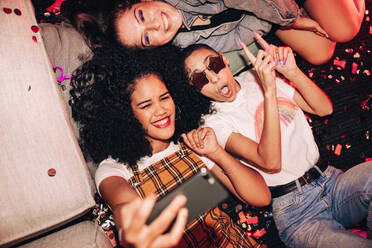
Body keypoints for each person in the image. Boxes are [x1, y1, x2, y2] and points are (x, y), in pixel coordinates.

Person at [69, 44, 271, 247]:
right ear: (125, 114)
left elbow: (261, 197)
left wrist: (217, 153)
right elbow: (124, 206)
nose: (161, 110)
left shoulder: (193, 146)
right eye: (146, 105)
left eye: (164, 97)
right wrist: (133, 228)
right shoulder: (114, 168)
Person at [181, 35, 372, 247]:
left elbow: (323, 108)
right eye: (200, 78)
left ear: (225, 60)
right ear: (195, 89)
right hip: (296, 212)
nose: (214, 78)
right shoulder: (213, 122)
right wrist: (269, 90)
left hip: (332, 182)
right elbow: (270, 162)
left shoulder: (255, 75)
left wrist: (293, 73)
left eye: (214, 65)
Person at [78, 0, 365, 65]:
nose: (156, 25)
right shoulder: (183, 39)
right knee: (320, 52)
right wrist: (282, 20)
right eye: (146, 37)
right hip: (266, 10)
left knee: (345, 30)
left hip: (271, 4)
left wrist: (295, 20)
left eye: (142, 16)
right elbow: (242, 34)